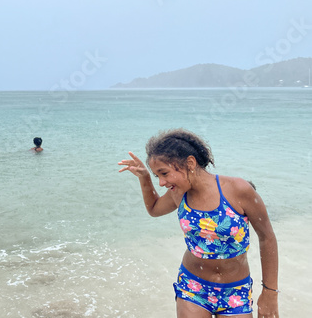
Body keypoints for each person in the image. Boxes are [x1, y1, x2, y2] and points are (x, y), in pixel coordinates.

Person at [118, 129, 278, 318]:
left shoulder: (238, 190)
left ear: (190, 163)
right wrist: (144, 178)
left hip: (235, 291)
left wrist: (270, 293)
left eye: (164, 173)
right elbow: (154, 208)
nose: (161, 182)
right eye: (157, 176)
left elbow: (267, 237)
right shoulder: (179, 193)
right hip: (193, 287)